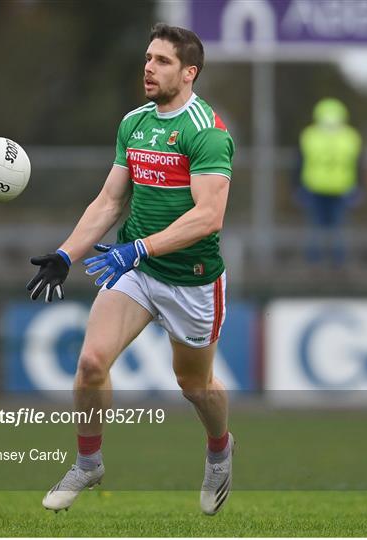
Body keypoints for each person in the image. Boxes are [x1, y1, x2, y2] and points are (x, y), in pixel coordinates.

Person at [27, 22, 235, 516]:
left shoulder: (206, 131)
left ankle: (220, 450)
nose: (148, 67)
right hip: (136, 271)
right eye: (147, 58)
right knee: (91, 363)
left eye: (162, 61)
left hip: (192, 277)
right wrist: (65, 254)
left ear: (189, 73)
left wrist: (138, 249)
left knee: (195, 387)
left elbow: (208, 216)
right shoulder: (135, 123)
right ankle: (88, 461)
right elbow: (109, 201)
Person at [296, 98, 362, 266]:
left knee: (316, 229)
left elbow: (299, 163)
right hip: (340, 188)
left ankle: (315, 263)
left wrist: (297, 187)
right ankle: (337, 263)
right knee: (337, 229)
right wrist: (359, 187)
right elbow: (358, 164)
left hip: (316, 186)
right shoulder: (351, 136)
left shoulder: (310, 135)